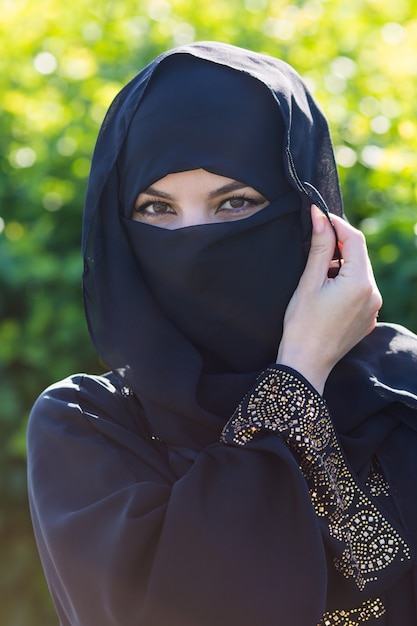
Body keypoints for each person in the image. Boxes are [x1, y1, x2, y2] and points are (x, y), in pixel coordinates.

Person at [27, 41, 417, 626]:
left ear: (307, 217)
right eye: (157, 210)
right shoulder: (87, 428)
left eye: (234, 202)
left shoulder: (400, 391)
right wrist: (299, 375)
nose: (194, 243)